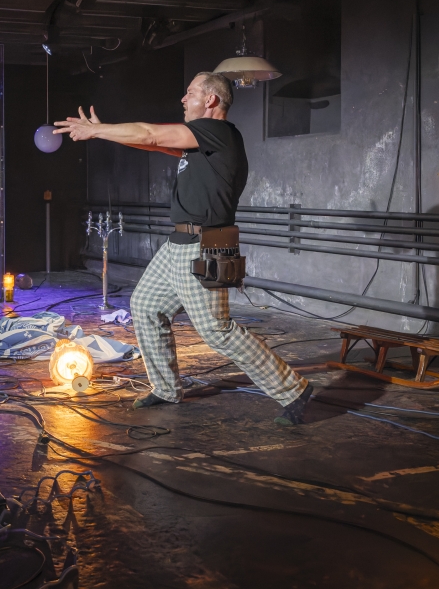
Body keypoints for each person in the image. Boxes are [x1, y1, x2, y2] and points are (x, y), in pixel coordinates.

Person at [53, 72, 313, 426]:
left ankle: (294, 390)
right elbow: (153, 144)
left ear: (210, 100)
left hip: (208, 245)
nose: (183, 99)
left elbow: (150, 133)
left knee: (217, 330)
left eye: (190, 92)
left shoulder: (218, 131)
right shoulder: (201, 143)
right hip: (179, 243)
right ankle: (165, 388)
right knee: (146, 306)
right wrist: (104, 131)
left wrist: (97, 131)